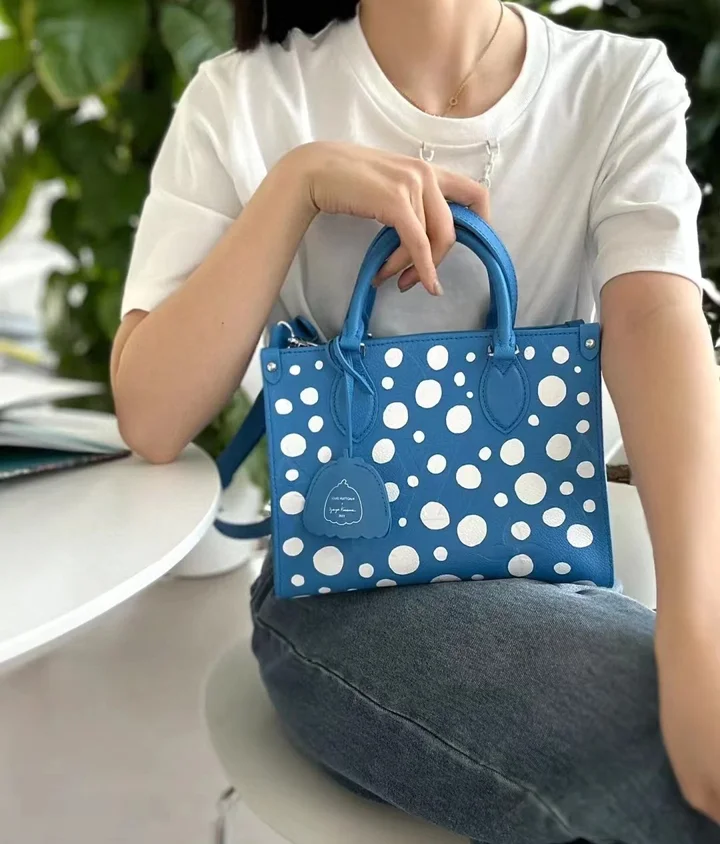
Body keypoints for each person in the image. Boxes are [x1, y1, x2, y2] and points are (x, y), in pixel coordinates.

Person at [112, 1, 720, 841]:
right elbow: (152, 416)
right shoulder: (245, 98)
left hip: (562, 576)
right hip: (344, 590)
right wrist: (296, 186)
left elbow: (655, 318)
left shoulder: (616, 81)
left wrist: (699, 621)